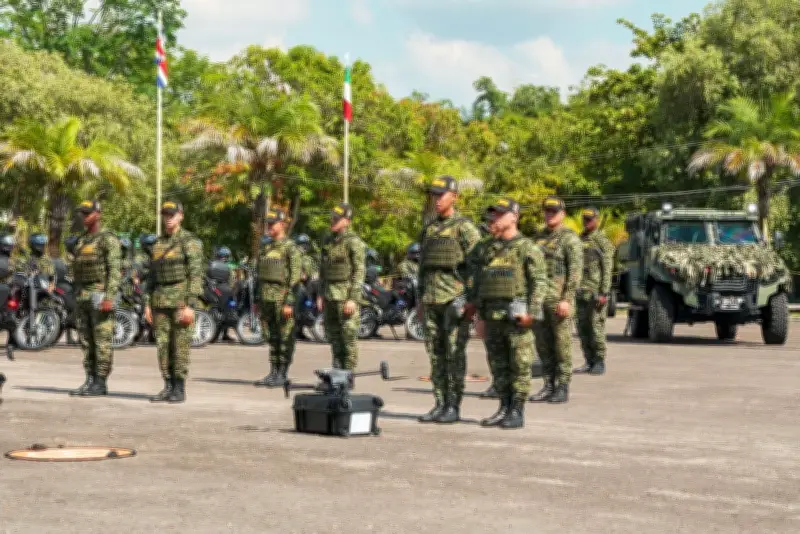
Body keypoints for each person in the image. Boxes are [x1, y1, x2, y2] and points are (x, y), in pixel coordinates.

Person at [468, 199, 546, 429]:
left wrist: (532, 313)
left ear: (514, 217)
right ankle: (503, 407)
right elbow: (478, 285)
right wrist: (479, 318)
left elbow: (539, 283)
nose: (494, 219)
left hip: (516, 318)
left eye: (500, 215)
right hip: (492, 317)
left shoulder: (527, 247)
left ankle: (517, 411)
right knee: (498, 365)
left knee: (520, 366)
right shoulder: (485, 249)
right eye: (492, 215)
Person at [417, 176, 481, 424]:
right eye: (434, 195)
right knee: (435, 355)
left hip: (454, 302)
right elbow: (423, 268)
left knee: (454, 355)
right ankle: (439, 402)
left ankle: (453, 405)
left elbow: (477, 267)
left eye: (441, 195)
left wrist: (470, 301)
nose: (437, 199)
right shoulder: (430, 229)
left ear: (454, 197)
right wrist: (420, 301)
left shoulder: (465, 228)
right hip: (431, 301)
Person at [144, 201, 203, 404]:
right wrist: (147, 304)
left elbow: (196, 275)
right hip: (159, 301)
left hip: (180, 301)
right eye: (165, 215)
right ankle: (167, 385)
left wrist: (191, 305)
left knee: (180, 346)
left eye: (172, 214)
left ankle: (179, 387)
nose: (168, 218)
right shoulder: (158, 244)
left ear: (181, 216)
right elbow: (151, 277)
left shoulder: (190, 242)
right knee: (162, 346)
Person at [530, 197, 583, 404]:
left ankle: (562, 386)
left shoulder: (570, 239)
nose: (550, 214)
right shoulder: (537, 238)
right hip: (540, 301)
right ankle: (548, 384)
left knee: (562, 346)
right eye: (547, 211)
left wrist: (567, 299)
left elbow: (575, 272)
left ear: (562, 214)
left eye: (554, 211)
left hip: (559, 301)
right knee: (543, 346)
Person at [68, 200, 122, 397]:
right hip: (83, 296)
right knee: (86, 340)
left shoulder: (108, 239)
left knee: (102, 341)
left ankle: (100, 381)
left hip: (100, 295)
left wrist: (110, 296)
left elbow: (115, 270)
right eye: (82, 213)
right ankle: (89, 379)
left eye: (88, 213)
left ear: (97, 214)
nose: (84, 217)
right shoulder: (81, 241)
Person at [254, 209, 302, 386]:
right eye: (268, 224)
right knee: (271, 336)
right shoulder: (265, 247)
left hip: (282, 298)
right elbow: (260, 275)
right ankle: (273, 371)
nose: (269, 227)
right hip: (266, 298)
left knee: (284, 336)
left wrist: (289, 301)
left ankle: (283, 372)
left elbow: (295, 277)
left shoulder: (290, 248)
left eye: (272, 224)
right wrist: (257, 300)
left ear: (282, 225)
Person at [319, 203, 366, 370]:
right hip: (330, 295)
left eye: (337, 219)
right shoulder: (327, 241)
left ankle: (348, 374)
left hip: (345, 296)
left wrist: (353, 298)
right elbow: (323, 270)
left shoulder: (354, 242)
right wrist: (320, 294)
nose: (333, 221)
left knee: (348, 337)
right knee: (333, 336)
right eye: (332, 217)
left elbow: (359, 271)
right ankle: (337, 371)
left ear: (347, 221)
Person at [574, 207, 614, 376]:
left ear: (596, 220)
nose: (586, 222)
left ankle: (599, 361)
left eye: (589, 219)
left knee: (596, 327)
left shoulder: (601, 240)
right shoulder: (579, 239)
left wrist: (604, 292)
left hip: (595, 292)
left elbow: (607, 268)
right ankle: (588, 360)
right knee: (582, 328)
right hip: (580, 291)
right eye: (584, 218)